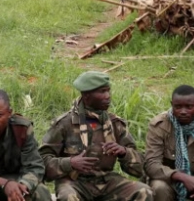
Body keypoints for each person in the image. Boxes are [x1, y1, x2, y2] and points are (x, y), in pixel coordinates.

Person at [40, 72, 152, 201]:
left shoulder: (115, 124)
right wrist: (70, 163)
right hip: (74, 182)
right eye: (102, 92)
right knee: (68, 197)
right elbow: (43, 161)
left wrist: (124, 152)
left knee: (143, 191)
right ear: (86, 95)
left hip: (106, 180)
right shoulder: (64, 124)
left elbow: (140, 168)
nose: (108, 96)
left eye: (108, 91)